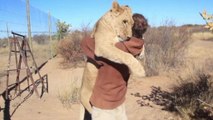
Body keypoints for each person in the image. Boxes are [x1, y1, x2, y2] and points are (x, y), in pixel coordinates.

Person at [81, 13, 148, 120]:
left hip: (103, 104)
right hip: (119, 99)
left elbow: (85, 42)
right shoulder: (138, 45)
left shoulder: (114, 49)